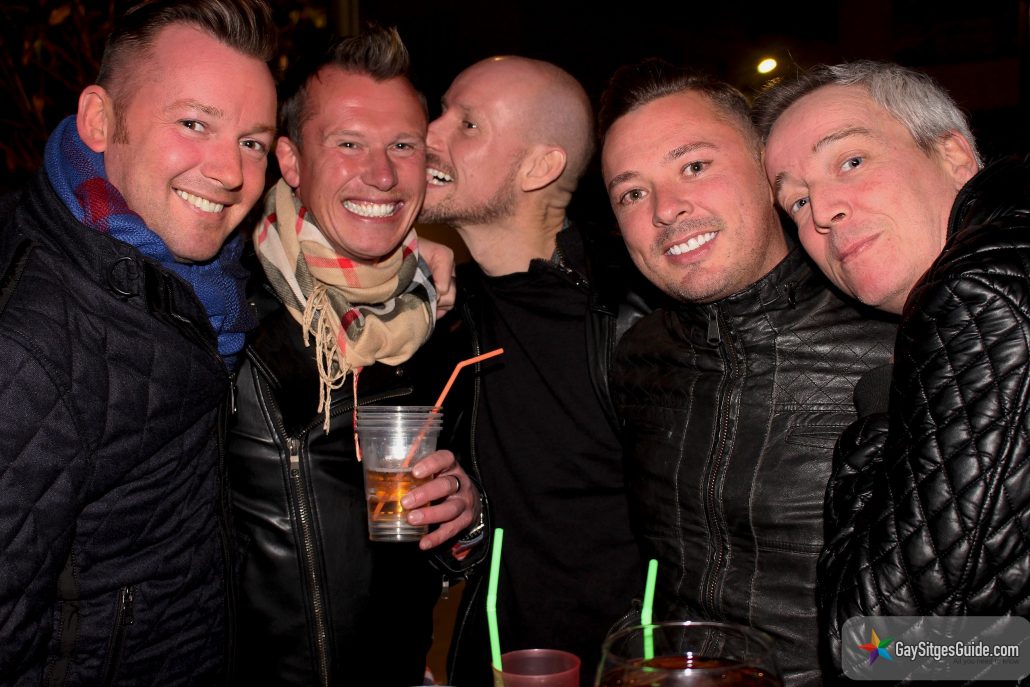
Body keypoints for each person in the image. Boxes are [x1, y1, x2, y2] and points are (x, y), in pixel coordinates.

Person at [0, 0, 277, 684]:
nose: (230, 171)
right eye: (194, 124)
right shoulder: (34, 342)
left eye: (253, 142)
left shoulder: (202, 284)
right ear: (100, 120)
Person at [596, 58, 897, 686]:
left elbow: (1001, 646)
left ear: (769, 170)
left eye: (693, 166)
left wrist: (858, 668)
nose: (665, 210)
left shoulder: (904, 340)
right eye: (632, 194)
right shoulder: (637, 356)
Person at [225, 26, 486, 687]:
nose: (383, 174)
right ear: (291, 162)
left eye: (403, 145)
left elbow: (436, 551)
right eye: (348, 144)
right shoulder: (221, 308)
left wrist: (464, 519)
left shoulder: (439, 320)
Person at [755, 60, 1030, 674]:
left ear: (954, 156)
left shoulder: (979, 289)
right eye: (797, 200)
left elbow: (882, 652)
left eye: (851, 161)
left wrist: (883, 411)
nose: (822, 210)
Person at [419, 55, 650, 686]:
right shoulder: (437, 313)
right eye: (440, 112)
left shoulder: (637, 311)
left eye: (467, 124)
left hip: (630, 669)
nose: (428, 133)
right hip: (489, 664)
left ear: (539, 167)